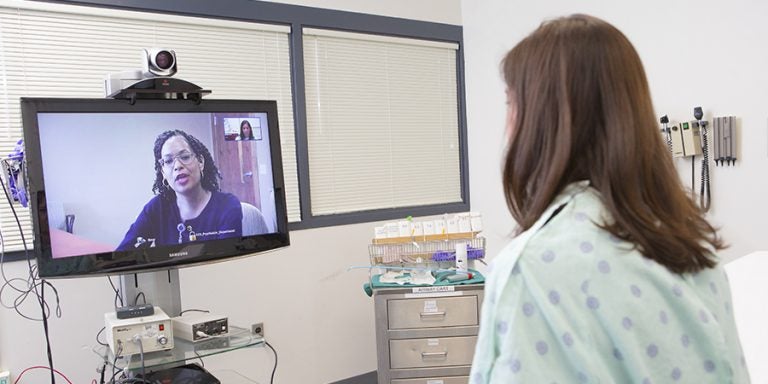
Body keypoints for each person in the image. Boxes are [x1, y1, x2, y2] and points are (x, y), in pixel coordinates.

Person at [470, 15, 749, 383]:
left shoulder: (532, 270)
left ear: (541, 119)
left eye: (511, 103)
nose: (507, 125)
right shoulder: (695, 251)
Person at [117, 130, 243, 250]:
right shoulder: (156, 208)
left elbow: (226, 261)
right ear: (163, 172)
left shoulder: (227, 206)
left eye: (185, 157)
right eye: (168, 161)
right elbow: (123, 254)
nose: (177, 166)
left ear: (200, 162)